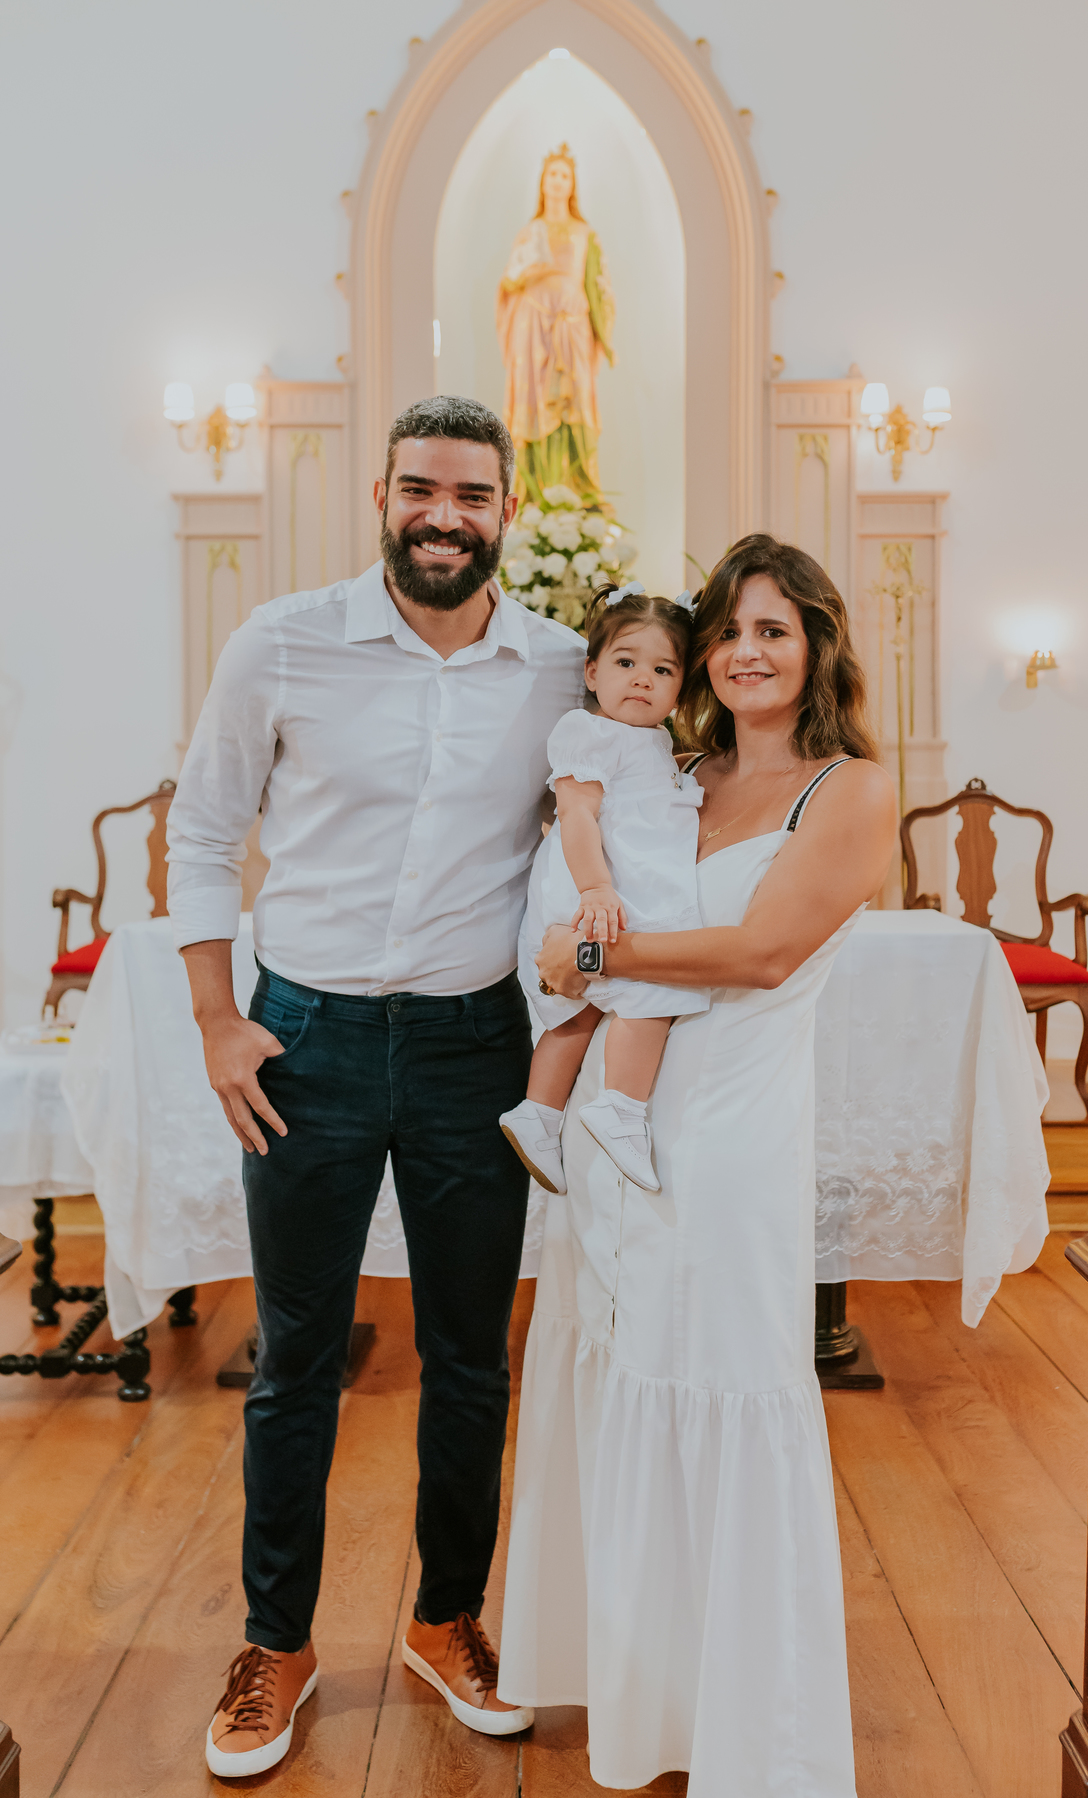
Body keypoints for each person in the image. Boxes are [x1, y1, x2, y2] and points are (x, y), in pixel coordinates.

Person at [166, 396, 584, 1776]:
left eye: (471, 494)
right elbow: (206, 826)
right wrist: (222, 1018)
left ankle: (445, 1616)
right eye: (421, 489)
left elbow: (612, 820)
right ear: (381, 494)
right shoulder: (280, 640)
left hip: (475, 1043)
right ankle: (277, 1642)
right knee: (296, 1358)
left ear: (508, 508)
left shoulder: (561, 670)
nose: (443, 516)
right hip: (309, 1041)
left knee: (472, 1354)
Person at [497, 534, 896, 1796]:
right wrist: (561, 946)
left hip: (731, 1131)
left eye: (774, 628)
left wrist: (591, 963)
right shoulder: (677, 767)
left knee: (721, 1371)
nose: (746, 650)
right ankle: (639, 1691)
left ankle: (747, 1723)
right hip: (627, 1114)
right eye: (728, 629)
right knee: (621, 1366)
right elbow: (572, 877)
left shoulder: (849, 788)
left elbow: (764, 951)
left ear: (817, 644)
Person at [500, 581, 708, 1197]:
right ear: (592, 672)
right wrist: (594, 889)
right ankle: (621, 1106)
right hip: (591, 891)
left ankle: (538, 1113)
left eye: (662, 669)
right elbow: (578, 815)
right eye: (625, 663)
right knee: (653, 992)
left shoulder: (659, 742)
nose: (642, 679)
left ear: (680, 689)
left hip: (615, 890)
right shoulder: (588, 732)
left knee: (580, 1011)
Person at [496, 142, 615, 509]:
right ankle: (534, 496)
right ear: (543, 182)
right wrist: (528, 275)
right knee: (535, 403)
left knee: (577, 407)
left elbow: (598, 285)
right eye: (553, 174)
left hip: (573, 327)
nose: (559, 181)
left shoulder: (585, 233)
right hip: (534, 329)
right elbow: (509, 282)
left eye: (565, 175)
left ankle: (582, 490)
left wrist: (605, 334)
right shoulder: (530, 232)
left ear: (573, 184)